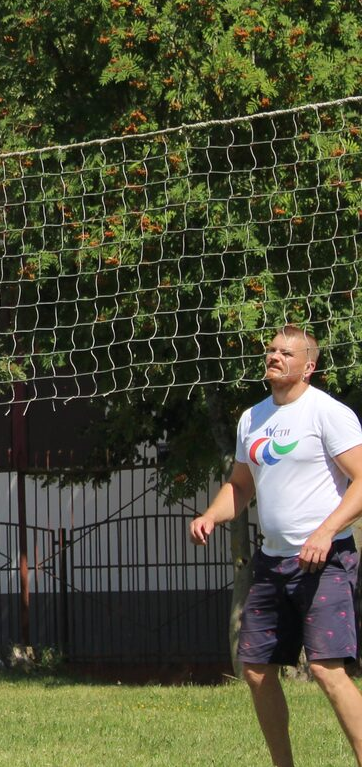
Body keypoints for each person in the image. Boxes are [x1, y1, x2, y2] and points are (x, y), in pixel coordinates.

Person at [189, 325, 362, 767]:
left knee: (326, 670)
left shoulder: (328, 413)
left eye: (286, 352)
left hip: (326, 560)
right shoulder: (253, 418)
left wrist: (325, 531)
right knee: (255, 669)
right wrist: (211, 515)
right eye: (270, 350)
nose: (274, 357)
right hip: (272, 561)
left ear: (309, 366)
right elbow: (240, 485)